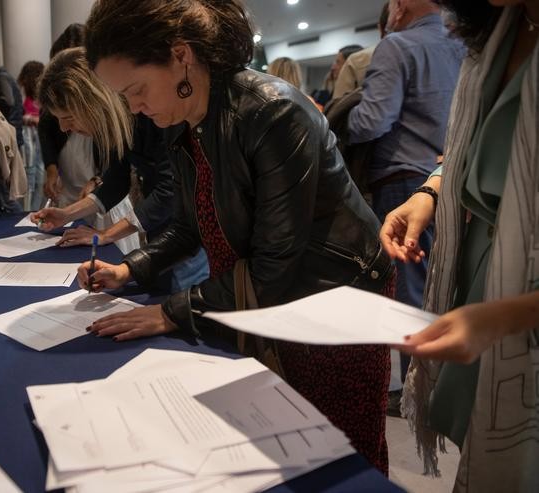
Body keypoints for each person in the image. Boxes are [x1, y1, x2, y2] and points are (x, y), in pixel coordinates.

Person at [79, 0, 394, 472]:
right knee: (280, 439)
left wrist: (170, 311)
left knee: (339, 452)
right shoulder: (182, 121)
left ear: (181, 56)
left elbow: (274, 265)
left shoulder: (274, 112)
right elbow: (190, 224)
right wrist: (130, 268)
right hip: (267, 294)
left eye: (136, 90)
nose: (134, 108)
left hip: (334, 298)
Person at [381, 1, 539, 489]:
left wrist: (506, 316)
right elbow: (471, 145)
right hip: (485, 270)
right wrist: (430, 191)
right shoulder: (497, 30)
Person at [348, 0, 465, 393]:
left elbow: (373, 120)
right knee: (440, 284)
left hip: (404, 181)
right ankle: (431, 386)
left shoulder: (397, 45)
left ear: (401, 7)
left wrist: (335, 116)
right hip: (448, 176)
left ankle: (411, 392)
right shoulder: (465, 44)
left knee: (407, 290)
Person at [32, 47, 208, 292]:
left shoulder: (154, 114)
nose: (63, 128)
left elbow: (170, 190)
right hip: (162, 229)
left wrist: (106, 234)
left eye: (69, 117)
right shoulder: (120, 120)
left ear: (94, 102)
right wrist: (67, 214)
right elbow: (116, 177)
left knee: (180, 299)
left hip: (187, 236)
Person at [37, 23, 100, 207]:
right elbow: (45, 128)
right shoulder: (53, 100)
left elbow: (118, 169)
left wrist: (98, 179)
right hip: (68, 186)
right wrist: (51, 169)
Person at [332, 2, 390, 100]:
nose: (333, 67)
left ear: (380, 28)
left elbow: (338, 112)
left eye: (338, 62)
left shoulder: (356, 61)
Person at [17, 60, 46, 211]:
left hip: (39, 136)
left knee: (39, 174)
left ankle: (34, 211)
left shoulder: (43, 95)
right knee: (30, 173)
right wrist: (29, 119)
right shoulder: (22, 93)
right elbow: (16, 116)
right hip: (28, 137)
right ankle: (27, 212)